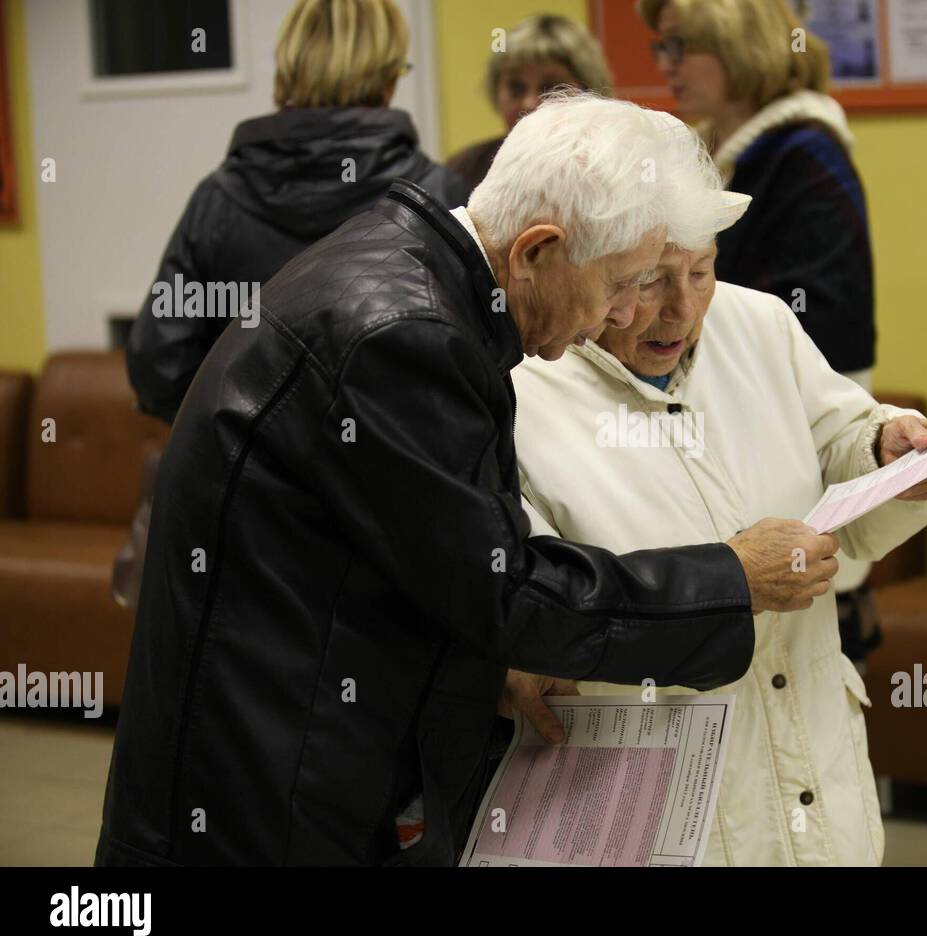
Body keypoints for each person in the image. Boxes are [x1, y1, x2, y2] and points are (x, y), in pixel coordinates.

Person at [96, 92, 841, 867]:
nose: (621, 318)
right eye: (622, 283)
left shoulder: (409, 269)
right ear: (535, 251)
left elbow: (432, 563)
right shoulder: (403, 333)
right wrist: (731, 577)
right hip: (267, 795)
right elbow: (506, 589)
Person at [510, 226, 927, 865]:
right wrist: (732, 580)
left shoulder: (760, 323)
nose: (683, 311)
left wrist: (885, 450)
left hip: (813, 755)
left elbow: (841, 438)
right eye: (649, 280)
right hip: (653, 791)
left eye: (701, 272)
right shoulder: (519, 384)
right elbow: (527, 595)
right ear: (586, 273)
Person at [640, 0, 885, 666]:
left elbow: (819, 330)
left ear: (737, 45)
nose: (665, 66)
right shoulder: (725, 151)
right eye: (660, 48)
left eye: (680, 46)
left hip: (794, 455)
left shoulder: (804, 154)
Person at [126, 0, 468, 425]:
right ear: (387, 78)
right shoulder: (438, 198)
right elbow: (477, 367)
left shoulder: (216, 201)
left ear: (287, 73)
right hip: (395, 481)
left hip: (250, 481)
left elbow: (159, 367)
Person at [445, 14, 612, 191]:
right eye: (516, 88)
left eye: (551, 88)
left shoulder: (614, 167)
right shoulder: (463, 170)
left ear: (587, 91)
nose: (530, 104)